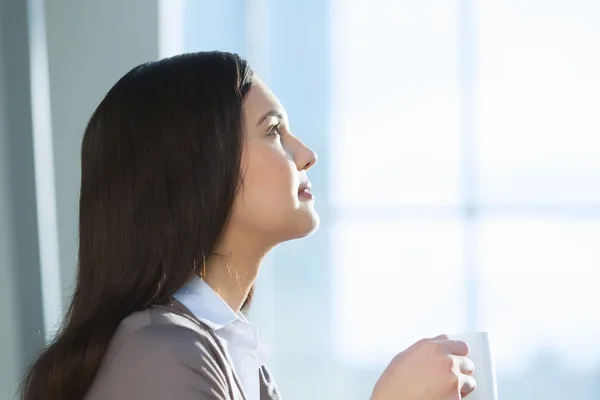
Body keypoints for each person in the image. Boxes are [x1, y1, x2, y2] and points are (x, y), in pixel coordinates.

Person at [20, 51, 476, 400]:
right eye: (274, 130)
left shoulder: (230, 357)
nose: (305, 155)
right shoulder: (159, 353)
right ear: (200, 169)